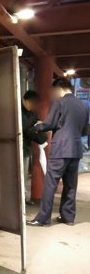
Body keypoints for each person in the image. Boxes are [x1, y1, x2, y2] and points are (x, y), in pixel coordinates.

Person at [27, 78, 90, 226]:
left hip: (61, 148)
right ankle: (68, 217)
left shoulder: (59, 103)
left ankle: (43, 219)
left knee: (50, 183)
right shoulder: (83, 105)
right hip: (75, 150)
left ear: (59, 88)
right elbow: (85, 130)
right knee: (70, 185)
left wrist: (36, 127)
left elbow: (50, 123)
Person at [21, 90, 48, 205]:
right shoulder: (18, 111)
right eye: (30, 102)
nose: (32, 105)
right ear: (24, 100)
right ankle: (19, 198)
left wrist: (34, 127)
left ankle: (24, 198)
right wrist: (34, 127)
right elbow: (24, 128)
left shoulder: (33, 113)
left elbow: (35, 127)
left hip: (26, 148)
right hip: (14, 147)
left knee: (24, 174)